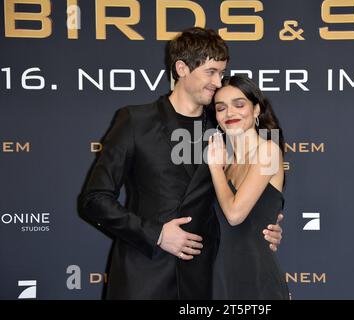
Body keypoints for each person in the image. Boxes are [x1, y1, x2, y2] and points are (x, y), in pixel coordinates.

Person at [79, 27, 283, 300]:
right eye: (210, 72)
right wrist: (157, 235)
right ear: (182, 68)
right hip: (143, 276)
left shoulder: (225, 128)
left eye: (221, 73)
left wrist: (267, 225)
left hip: (206, 281)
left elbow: (253, 190)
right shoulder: (135, 121)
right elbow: (94, 199)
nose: (217, 82)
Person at [207, 75, 290, 299]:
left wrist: (214, 169)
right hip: (222, 277)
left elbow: (235, 215)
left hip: (256, 280)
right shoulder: (227, 164)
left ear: (256, 110)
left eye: (239, 104)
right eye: (221, 108)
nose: (229, 113)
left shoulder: (268, 151)